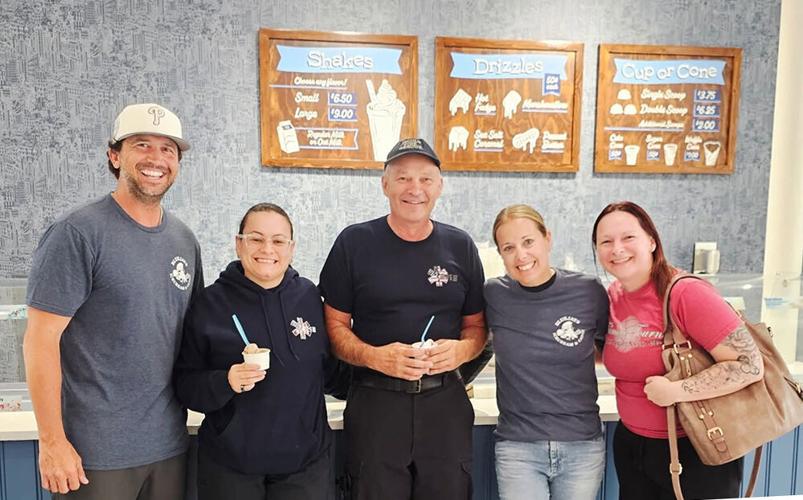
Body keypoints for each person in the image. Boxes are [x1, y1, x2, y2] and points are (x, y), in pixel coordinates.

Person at [22, 103, 203, 498]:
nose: (157, 159)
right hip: (94, 454)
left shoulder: (183, 240)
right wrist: (52, 442)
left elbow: (191, 334)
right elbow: (40, 339)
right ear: (115, 155)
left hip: (169, 445)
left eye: (168, 149)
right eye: (142, 145)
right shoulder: (77, 233)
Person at [319, 138, 487, 500]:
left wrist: (460, 351)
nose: (415, 189)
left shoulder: (461, 246)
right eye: (403, 178)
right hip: (375, 404)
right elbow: (333, 327)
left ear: (440, 186)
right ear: (384, 184)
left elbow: (476, 328)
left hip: (445, 405)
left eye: (426, 179)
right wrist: (376, 357)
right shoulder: (354, 243)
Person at [591, 201, 764, 500]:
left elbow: (749, 364)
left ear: (652, 241)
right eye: (606, 241)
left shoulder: (685, 292)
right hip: (633, 445)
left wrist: (678, 390)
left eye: (628, 237)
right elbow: (617, 351)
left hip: (696, 448)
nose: (617, 248)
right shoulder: (615, 295)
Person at [174, 203, 335, 500]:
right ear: (239, 243)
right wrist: (226, 381)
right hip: (231, 467)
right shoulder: (210, 303)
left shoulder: (310, 297)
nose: (267, 249)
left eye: (278, 241)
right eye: (256, 239)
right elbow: (185, 384)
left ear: (291, 247)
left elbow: (331, 371)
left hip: (305, 467)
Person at [484, 204, 608, 500]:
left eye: (528, 242)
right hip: (518, 447)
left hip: (582, 445)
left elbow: (607, 350)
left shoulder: (588, 291)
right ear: (500, 254)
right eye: (509, 248)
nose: (521, 256)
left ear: (547, 238)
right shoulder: (492, 294)